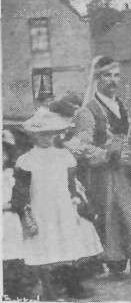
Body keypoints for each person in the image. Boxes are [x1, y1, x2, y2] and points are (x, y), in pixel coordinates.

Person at [69, 56, 131, 277]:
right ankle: (118, 261)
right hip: (107, 174)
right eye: (107, 75)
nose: (113, 80)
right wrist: (107, 155)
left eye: (116, 75)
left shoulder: (122, 105)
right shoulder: (88, 111)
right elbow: (79, 147)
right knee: (117, 213)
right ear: (97, 78)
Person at [12, 107, 103, 299]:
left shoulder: (65, 157)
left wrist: (76, 199)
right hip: (40, 207)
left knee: (68, 243)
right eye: (40, 134)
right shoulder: (26, 160)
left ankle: (73, 285)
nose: (45, 138)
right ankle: (48, 288)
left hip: (63, 206)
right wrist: (23, 211)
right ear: (32, 136)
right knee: (44, 244)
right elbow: (21, 191)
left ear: (55, 134)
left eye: (49, 134)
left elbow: (71, 185)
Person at [3, 130, 30, 300]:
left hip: (9, 220)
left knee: (13, 253)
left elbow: (20, 197)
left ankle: (16, 289)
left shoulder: (10, 176)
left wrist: (10, 205)